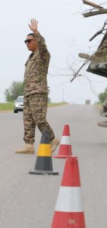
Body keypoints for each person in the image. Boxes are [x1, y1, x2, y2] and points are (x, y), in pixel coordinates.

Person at [15, 19, 60, 154]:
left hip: (38, 92)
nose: (27, 43)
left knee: (39, 118)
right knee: (28, 119)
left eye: (29, 40)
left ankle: (53, 139)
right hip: (29, 92)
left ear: (36, 41)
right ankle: (29, 145)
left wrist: (36, 32)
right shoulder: (31, 57)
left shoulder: (42, 54)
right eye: (25, 41)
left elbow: (43, 45)